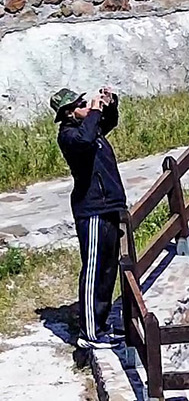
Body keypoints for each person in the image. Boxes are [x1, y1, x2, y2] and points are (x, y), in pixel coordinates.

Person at [53, 86, 125, 345]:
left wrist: (109, 103)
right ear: (70, 112)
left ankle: (101, 325)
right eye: (81, 104)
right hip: (91, 209)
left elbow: (109, 121)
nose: (87, 105)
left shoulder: (90, 129)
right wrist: (94, 110)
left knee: (108, 270)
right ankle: (90, 333)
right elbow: (84, 140)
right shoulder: (70, 136)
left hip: (107, 205)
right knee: (94, 270)